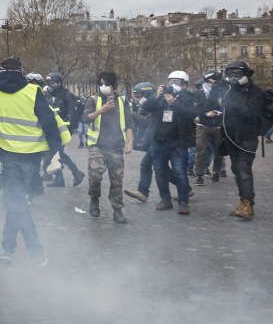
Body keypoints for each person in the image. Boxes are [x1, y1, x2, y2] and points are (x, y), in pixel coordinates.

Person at [0, 56, 64, 266]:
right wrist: (53, 153)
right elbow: (50, 124)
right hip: (31, 157)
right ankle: (31, 251)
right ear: (21, 70)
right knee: (17, 202)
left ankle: (14, 248)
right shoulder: (33, 91)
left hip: (5, 156)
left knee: (15, 202)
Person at [210, 60, 273, 220]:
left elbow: (252, 114)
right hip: (231, 137)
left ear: (246, 75)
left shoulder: (256, 92)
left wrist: (233, 104)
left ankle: (248, 204)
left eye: (238, 74)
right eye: (231, 74)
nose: (234, 77)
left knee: (243, 168)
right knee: (236, 169)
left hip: (247, 137)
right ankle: (244, 201)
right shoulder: (229, 91)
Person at [142, 71, 201, 214]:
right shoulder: (161, 96)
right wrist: (157, 95)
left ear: (185, 85)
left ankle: (183, 202)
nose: (173, 84)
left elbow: (191, 113)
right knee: (160, 171)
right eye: (171, 81)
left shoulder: (188, 97)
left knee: (179, 172)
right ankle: (165, 199)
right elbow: (146, 108)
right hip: (159, 140)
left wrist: (173, 103)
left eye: (178, 82)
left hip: (178, 141)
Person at [82, 70, 133, 223]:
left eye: (107, 84)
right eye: (101, 84)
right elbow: (85, 118)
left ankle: (117, 210)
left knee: (117, 180)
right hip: (97, 146)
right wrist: (101, 110)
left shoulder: (122, 101)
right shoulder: (93, 100)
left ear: (114, 85)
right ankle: (94, 200)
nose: (103, 86)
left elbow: (129, 124)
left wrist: (130, 142)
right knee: (95, 176)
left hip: (116, 146)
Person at [42, 73, 84, 189]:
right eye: (48, 83)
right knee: (57, 154)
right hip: (53, 130)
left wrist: (67, 127)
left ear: (59, 83)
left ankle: (77, 173)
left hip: (63, 130)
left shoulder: (66, 94)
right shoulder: (50, 95)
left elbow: (71, 113)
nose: (50, 85)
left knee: (56, 153)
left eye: (52, 83)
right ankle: (60, 179)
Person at [125, 82, 158, 204]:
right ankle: (143, 192)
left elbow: (147, 123)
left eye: (139, 95)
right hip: (153, 141)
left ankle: (185, 189)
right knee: (148, 166)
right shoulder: (146, 104)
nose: (136, 98)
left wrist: (132, 115)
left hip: (158, 142)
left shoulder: (153, 104)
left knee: (160, 168)